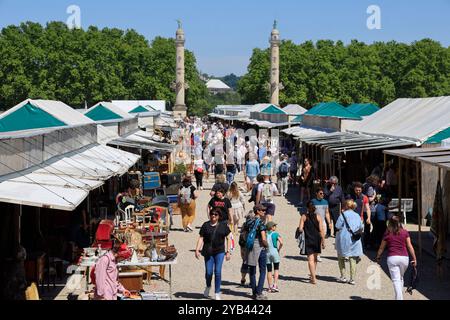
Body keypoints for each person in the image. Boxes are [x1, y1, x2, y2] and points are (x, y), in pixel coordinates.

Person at [376, 215, 417, 300]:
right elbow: (409, 246)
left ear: (389, 223)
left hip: (392, 258)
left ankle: (399, 298)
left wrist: (378, 256)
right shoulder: (405, 232)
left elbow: (381, 247)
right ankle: (398, 297)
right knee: (400, 278)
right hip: (404, 258)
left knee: (396, 280)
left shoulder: (387, 234)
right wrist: (414, 258)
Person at [195, 208, 232, 301]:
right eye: (212, 214)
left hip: (219, 252)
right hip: (208, 252)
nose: (213, 216)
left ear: (218, 216)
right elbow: (201, 238)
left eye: (215, 214)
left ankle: (217, 292)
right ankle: (208, 286)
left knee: (218, 272)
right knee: (209, 272)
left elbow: (229, 238)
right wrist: (197, 250)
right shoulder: (205, 225)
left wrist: (228, 251)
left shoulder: (223, 226)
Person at [335, 200, 364, 285]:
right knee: (353, 258)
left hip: (344, 238)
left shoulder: (343, 215)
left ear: (346, 206)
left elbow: (337, 226)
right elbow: (361, 226)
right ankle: (352, 279)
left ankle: (343, 276)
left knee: (341, 257)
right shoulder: (357, 215)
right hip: (355, 238)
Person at [245, 204, 268, 300]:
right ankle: (259, 292)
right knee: (263, 270)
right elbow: (263, 238)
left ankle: (254, 292)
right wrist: (267, 246)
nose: (264, 212)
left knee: (252, 270)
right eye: (262, 210)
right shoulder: (261, 223)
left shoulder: (249, 221)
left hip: (250, 245)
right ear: (257, 211)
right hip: (259, 246)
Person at [298, 201, 325, 284]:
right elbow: (321, 230)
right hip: (317, 239)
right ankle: (313, 275)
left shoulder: (304, 216)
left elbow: (300, 229)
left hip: (308, 239)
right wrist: (323, 241)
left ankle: (313, 278)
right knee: (315, 258)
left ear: (307, 208)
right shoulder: (318, 216)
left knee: (310, 259)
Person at [347, 182, 372, 249]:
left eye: (359, 190)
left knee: (359, 234)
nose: (358, 191)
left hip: (359, 219)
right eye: (356, 190)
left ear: (361, 190)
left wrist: (368, 218)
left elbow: (368, 209)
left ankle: (358, 249)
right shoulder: (350, 196)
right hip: (350, 218)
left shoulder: (364, 197)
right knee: (350, 234)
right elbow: (346, 207)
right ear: (354, 189)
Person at [311, 187, 332, 261]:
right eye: (320, 193)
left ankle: (318, 254)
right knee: (316, 238)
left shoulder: (325, 202)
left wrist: (329, 222)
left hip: (322, 222)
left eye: (323, 193)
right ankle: (315, 253)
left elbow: (327, 213)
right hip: (314, 222)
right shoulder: (312, 201)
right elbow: (310, 212)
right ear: (316, 193)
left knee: (321, 237)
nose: (322, 194)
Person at [265, 221, 283, 293]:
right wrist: (279, 249)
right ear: (271, 227)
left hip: (267, 253)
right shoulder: (275, 234)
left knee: (269, 270)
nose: (275, 227)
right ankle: (275, 285)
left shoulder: (265, 234)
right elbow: (281, 242)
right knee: (276, 269)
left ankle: (270, 287)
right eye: (274, 226)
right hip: (275, 252)